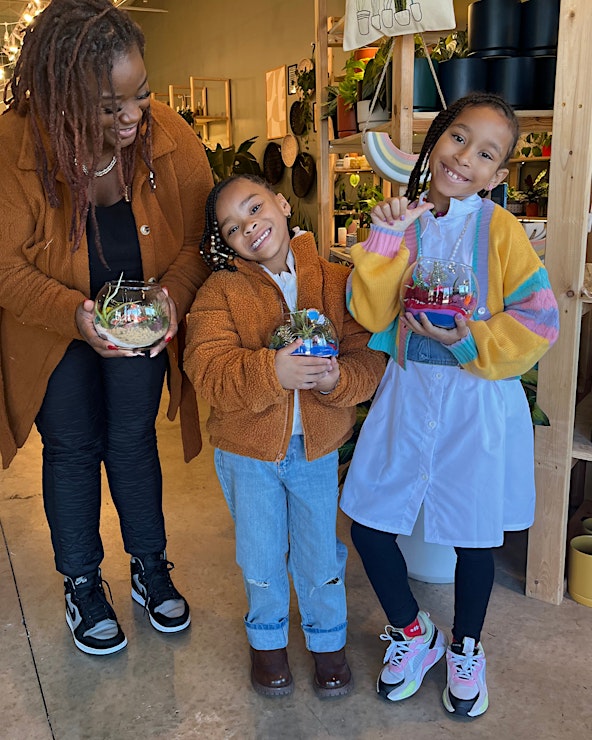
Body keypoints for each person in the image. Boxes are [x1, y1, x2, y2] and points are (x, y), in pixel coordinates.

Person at [0, 0, 212, 655]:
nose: (131, 116)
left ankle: (150, 566)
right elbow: (4, 266)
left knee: (132, 439)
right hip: (49, 328)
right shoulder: (13, 145)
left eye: (140, 94)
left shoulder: (168, 137)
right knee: (71, 447)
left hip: (140, 327)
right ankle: (83, 582)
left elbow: (197, 240)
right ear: (58, 98)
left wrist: (173, 299)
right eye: (106, 106)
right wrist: (73, 314)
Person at [340, 92, 559, 717]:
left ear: (497, 174)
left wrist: (469, 342)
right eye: (458, 138)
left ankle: (466, 646)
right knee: (369, 523)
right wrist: (385, 239)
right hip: (408, 395)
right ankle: (414, 632)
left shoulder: (502, 230)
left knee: (472, 538)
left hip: (476, 404)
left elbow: (541, 319)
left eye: (486, 154)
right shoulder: (402, 220)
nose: (465, 158)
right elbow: (370, 313)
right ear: (436, 138)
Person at [184, 175, 385, 698]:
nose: (249, 227)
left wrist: (338, 380)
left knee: (320, 553)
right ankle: (267, 641)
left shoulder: (337, 280)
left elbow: (368, 355)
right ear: (226, 243)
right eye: (232, 227)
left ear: (280, 202)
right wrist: (271, 372)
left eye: (254, 208)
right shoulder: (220, 291)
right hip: (247, 453)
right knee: (261, 554)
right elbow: (205, 367)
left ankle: (328, 640)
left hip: (316, 451)